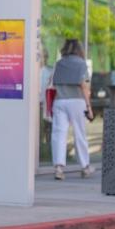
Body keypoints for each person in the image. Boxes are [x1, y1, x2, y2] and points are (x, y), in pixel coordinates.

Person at [50, 39, 95, 180]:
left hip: (60, 101)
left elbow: (53, 83)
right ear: (79, 49)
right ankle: (85, 167)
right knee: (79, 134)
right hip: (77, 101)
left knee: (59, 133)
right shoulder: (81, 64)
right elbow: (84, 86)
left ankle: (58, 168)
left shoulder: (58, 64)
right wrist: (89, 107)